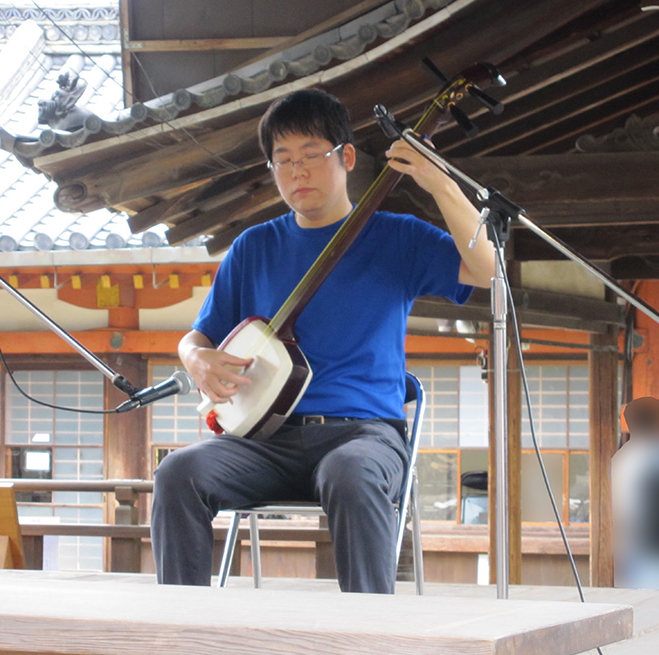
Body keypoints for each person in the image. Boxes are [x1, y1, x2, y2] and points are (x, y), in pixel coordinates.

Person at [151, 88, 494, 593]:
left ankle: (369, 640)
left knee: (350, 475)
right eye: (283, 160)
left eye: (312, 155)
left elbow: (486, 270)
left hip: (363, 436)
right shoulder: (255, 246)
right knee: (178, 473)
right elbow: (199, 335)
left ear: (347, 157)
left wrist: (439, 182)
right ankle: (184, 636)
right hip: (266, 442)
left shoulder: (397, 236)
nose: (297, 172)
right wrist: (196, 358)